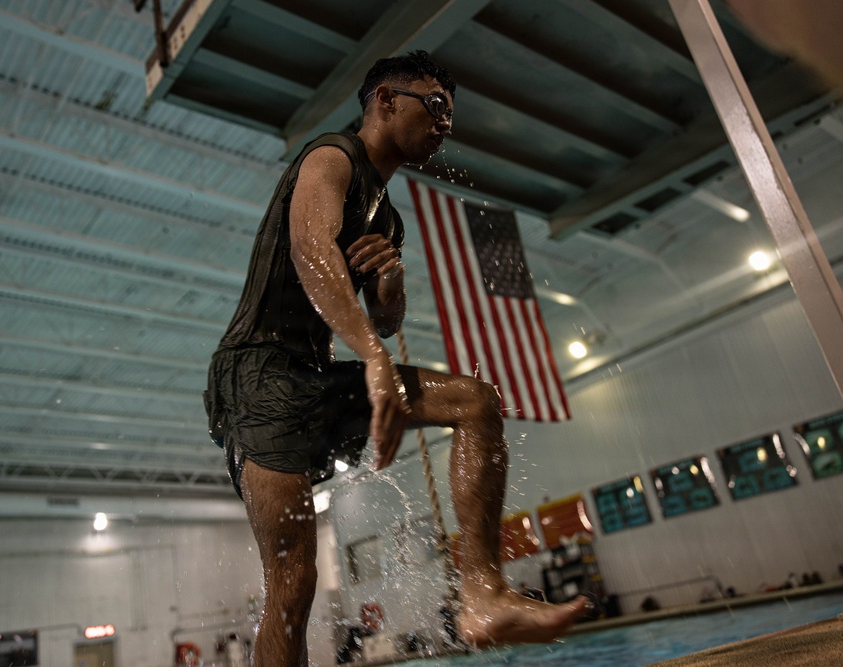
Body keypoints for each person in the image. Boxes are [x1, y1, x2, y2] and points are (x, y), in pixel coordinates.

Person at [204, 50, 588, 666]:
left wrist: (390, 286)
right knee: (294, 581)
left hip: (319, 373)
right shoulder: (331, 157)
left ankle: (483, 596)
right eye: (435, 106)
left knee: (477, 401)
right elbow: (309, 251)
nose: (445, 124)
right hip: (259, 374)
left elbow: (386, 317)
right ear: (384, 101)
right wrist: (374, 356)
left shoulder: (390, 215)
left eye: (450, 115)